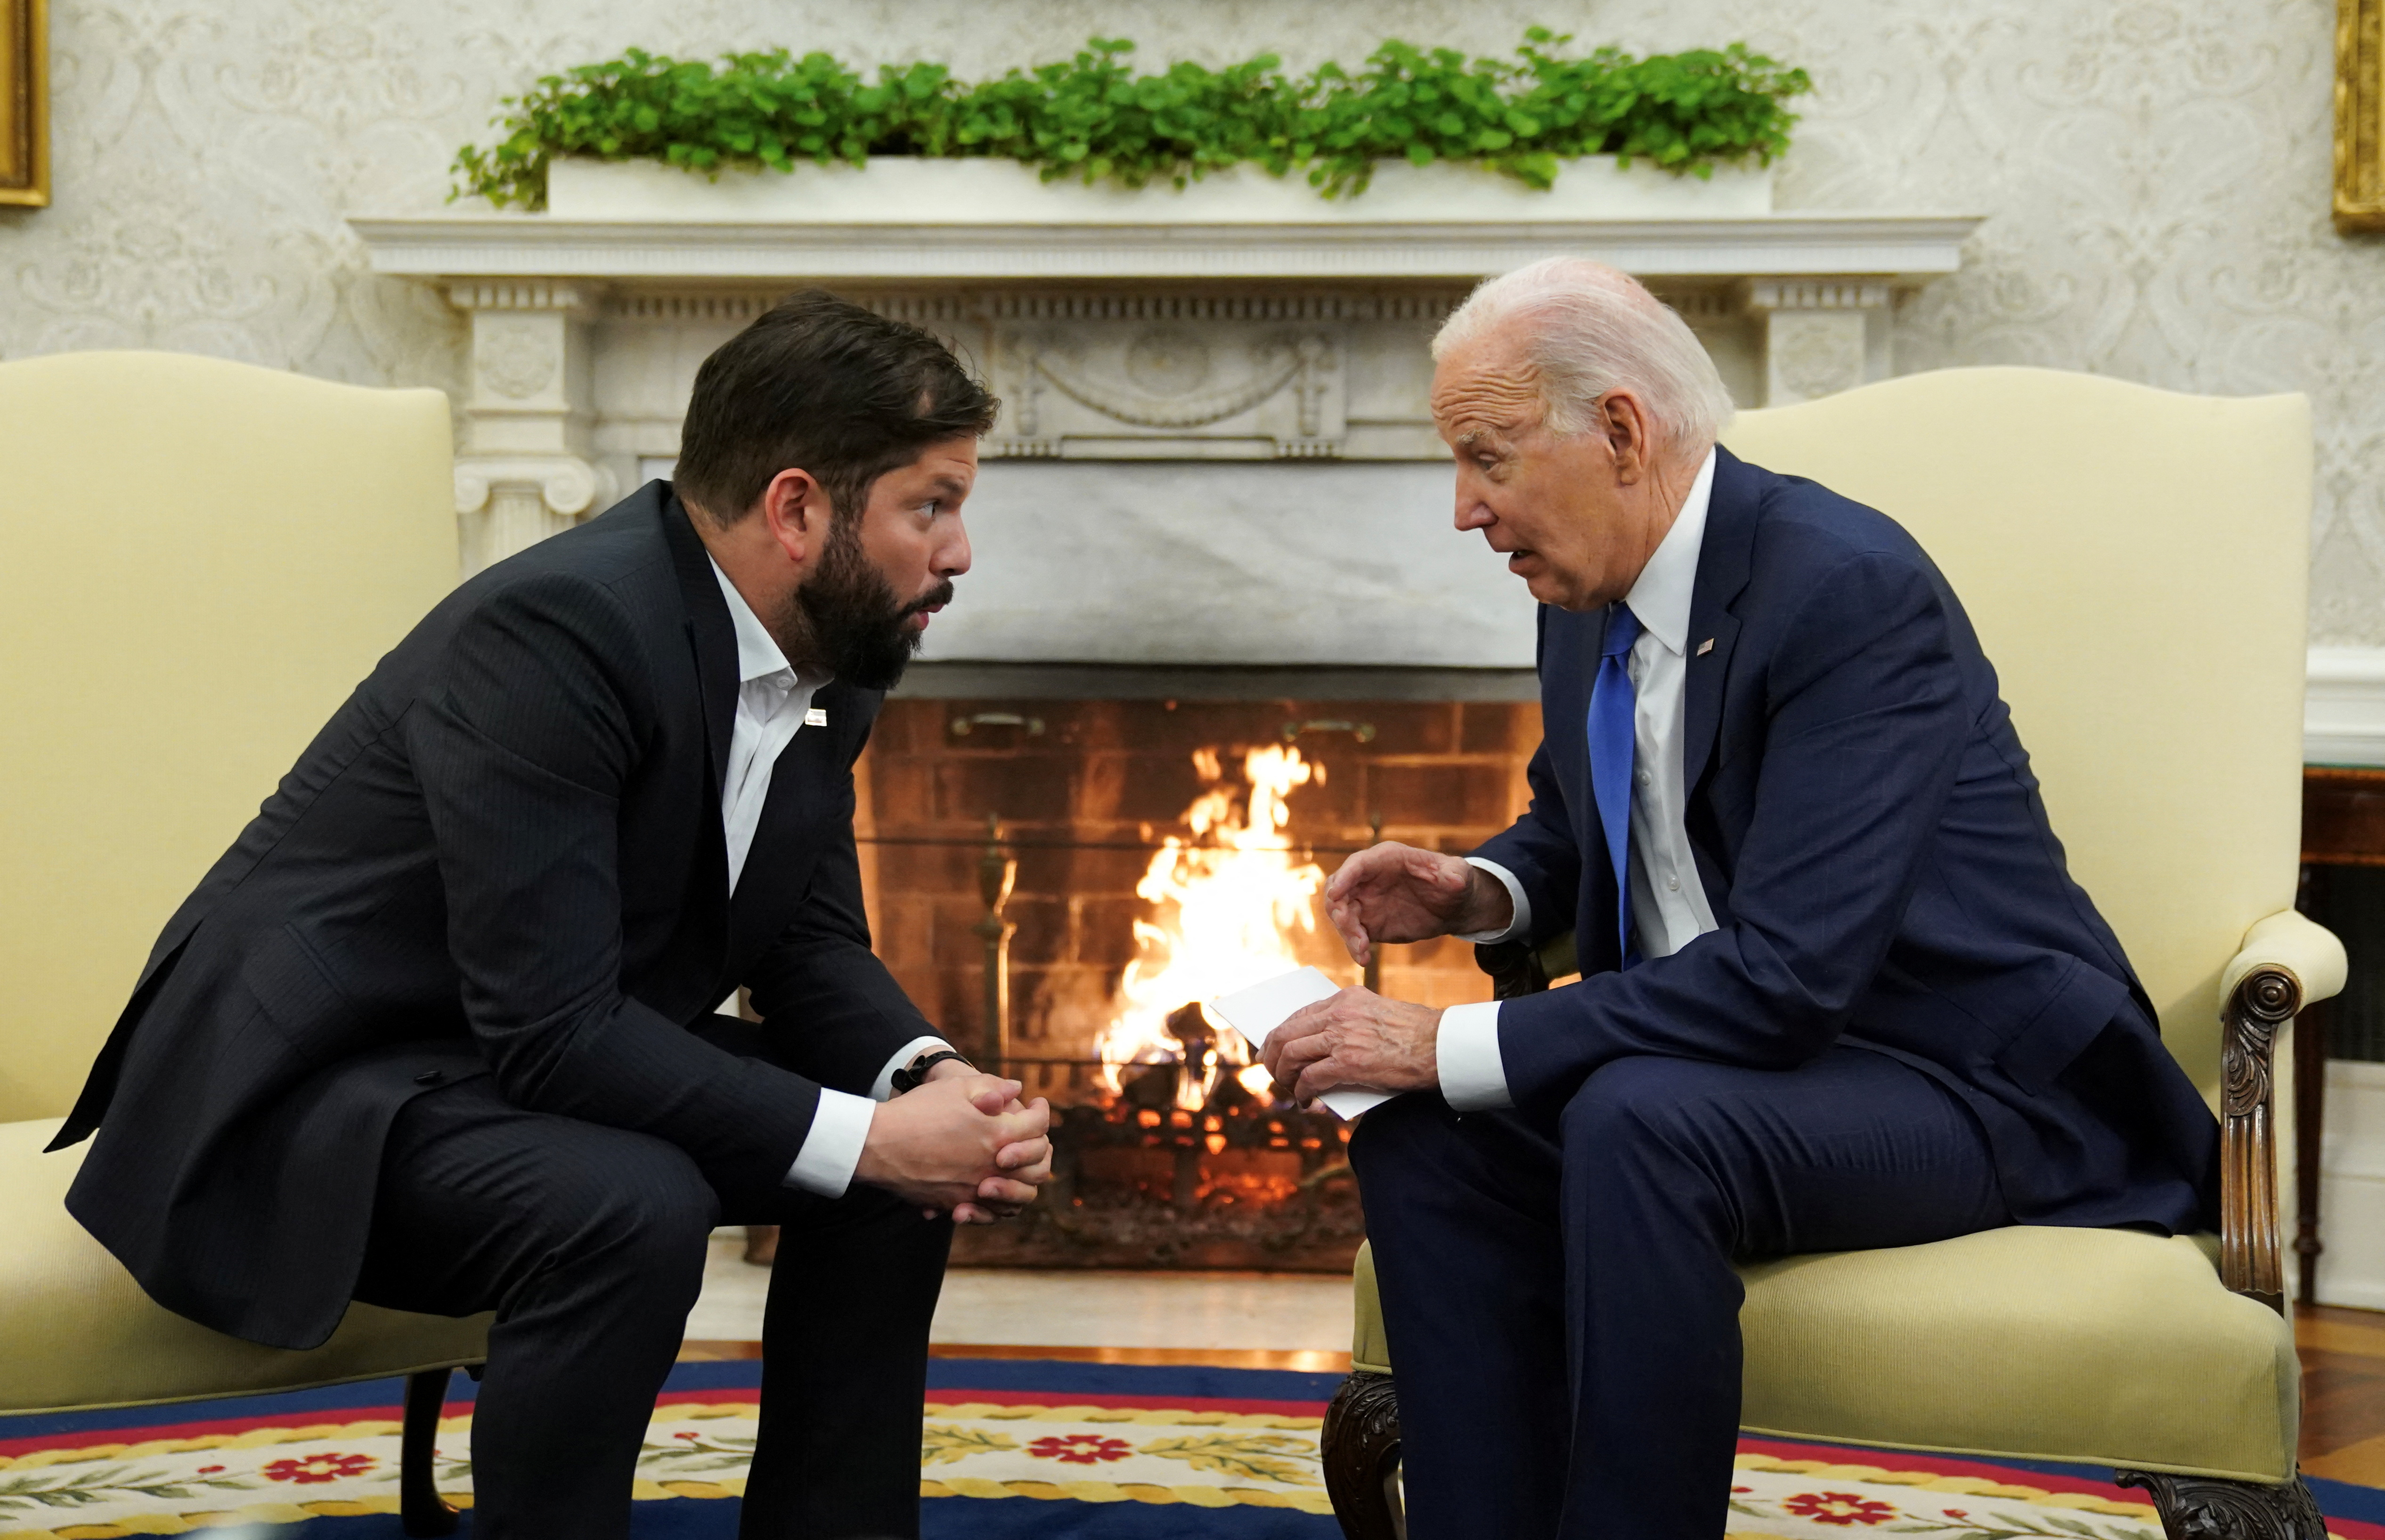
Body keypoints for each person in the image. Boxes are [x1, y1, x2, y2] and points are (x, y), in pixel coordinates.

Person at [48, 291, 1054, 1540]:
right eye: (932, 506)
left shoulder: (824, 657)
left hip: (501, 1054)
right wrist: (868, 1136)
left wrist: (937, 1086)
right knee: (629, 1201)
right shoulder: (561, 631)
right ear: (798, 509)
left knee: (894, 1171)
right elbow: (558, 1033)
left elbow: (808, 945)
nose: (958, 552)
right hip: (317, 1088)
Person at [1261, 258, 2220, 1540]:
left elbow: (1788, 978)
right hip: (1734, 1066)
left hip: (1962, 1072)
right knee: (1421, 1137)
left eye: (1485, 457)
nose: (1463, 509)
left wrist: (1445, 1041)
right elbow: (1588, 816)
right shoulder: (1583, 589)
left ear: (1618, 431)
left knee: (1637, 1121)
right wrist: (1481, 890)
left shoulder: (1846, 591)